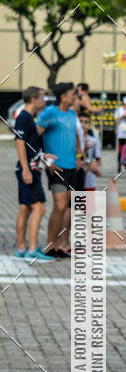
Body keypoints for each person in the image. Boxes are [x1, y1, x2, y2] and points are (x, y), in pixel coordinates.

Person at [37, 81, 81, 258]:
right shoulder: (49, 113)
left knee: (64, 209)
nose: (75, 97)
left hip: (72, 167)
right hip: (58, 168)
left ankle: (57, 246)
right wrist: (45, 157)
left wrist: (79, 158)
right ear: (63, 97)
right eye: (72, 94)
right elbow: (34, 136)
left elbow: (77, 137)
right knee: (59, 206)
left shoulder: (71, 114)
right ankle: (49, 246)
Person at [13, 86, 55, 261]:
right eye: (42, 98)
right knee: (40, 208)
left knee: (25, 209)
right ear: (34, 99)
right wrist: (26, 169)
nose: (44, 101)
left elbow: (29, 146)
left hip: (31, 167)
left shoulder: (29, 118)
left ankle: (21, 248)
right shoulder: (24, 118)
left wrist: (43, 156)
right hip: (29, 170)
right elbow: (20, 143)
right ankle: (32, 250)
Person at [80, 111, 102, 190]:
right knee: (77, 201)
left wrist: (92, 166)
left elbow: (98, 161)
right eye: (81, 122)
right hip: (76, 178)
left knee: (90, 202)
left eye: (86, 122)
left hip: (89, 181)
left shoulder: (93, 141)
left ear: (89, 125)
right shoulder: (73, 140)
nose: (83, 125)